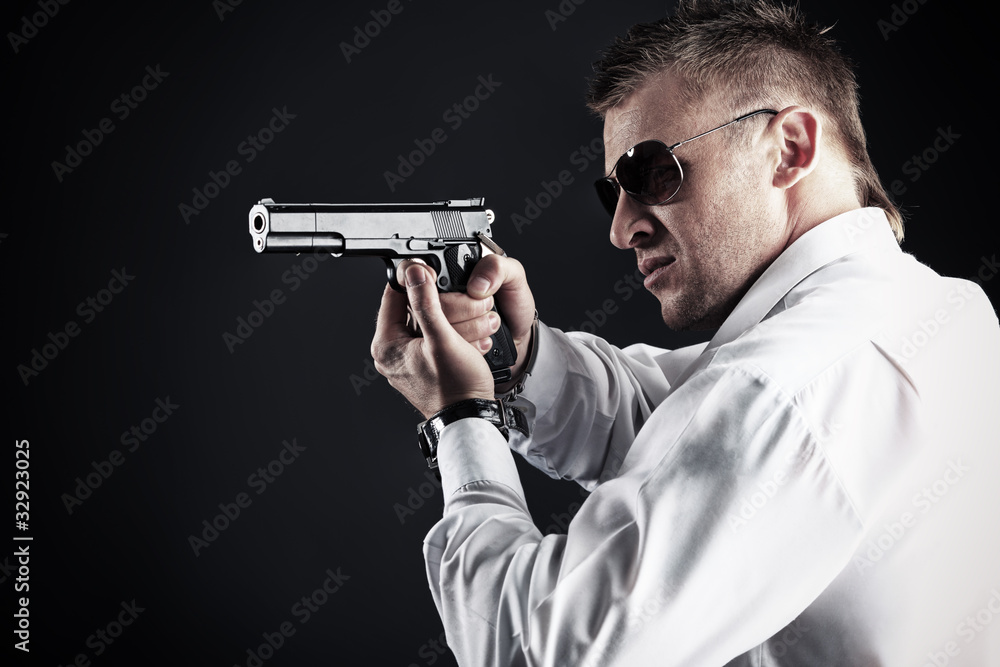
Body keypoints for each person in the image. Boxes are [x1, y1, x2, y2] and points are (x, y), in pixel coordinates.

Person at [371, 1, 1000, 664]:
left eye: (650, 173)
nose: (622, 230)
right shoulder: (945, 309)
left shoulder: (787, 386)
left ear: (789, 148)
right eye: (612, 193)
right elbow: (689, 427)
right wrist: (517, 359)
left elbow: (543, 650)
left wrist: (462, 419)